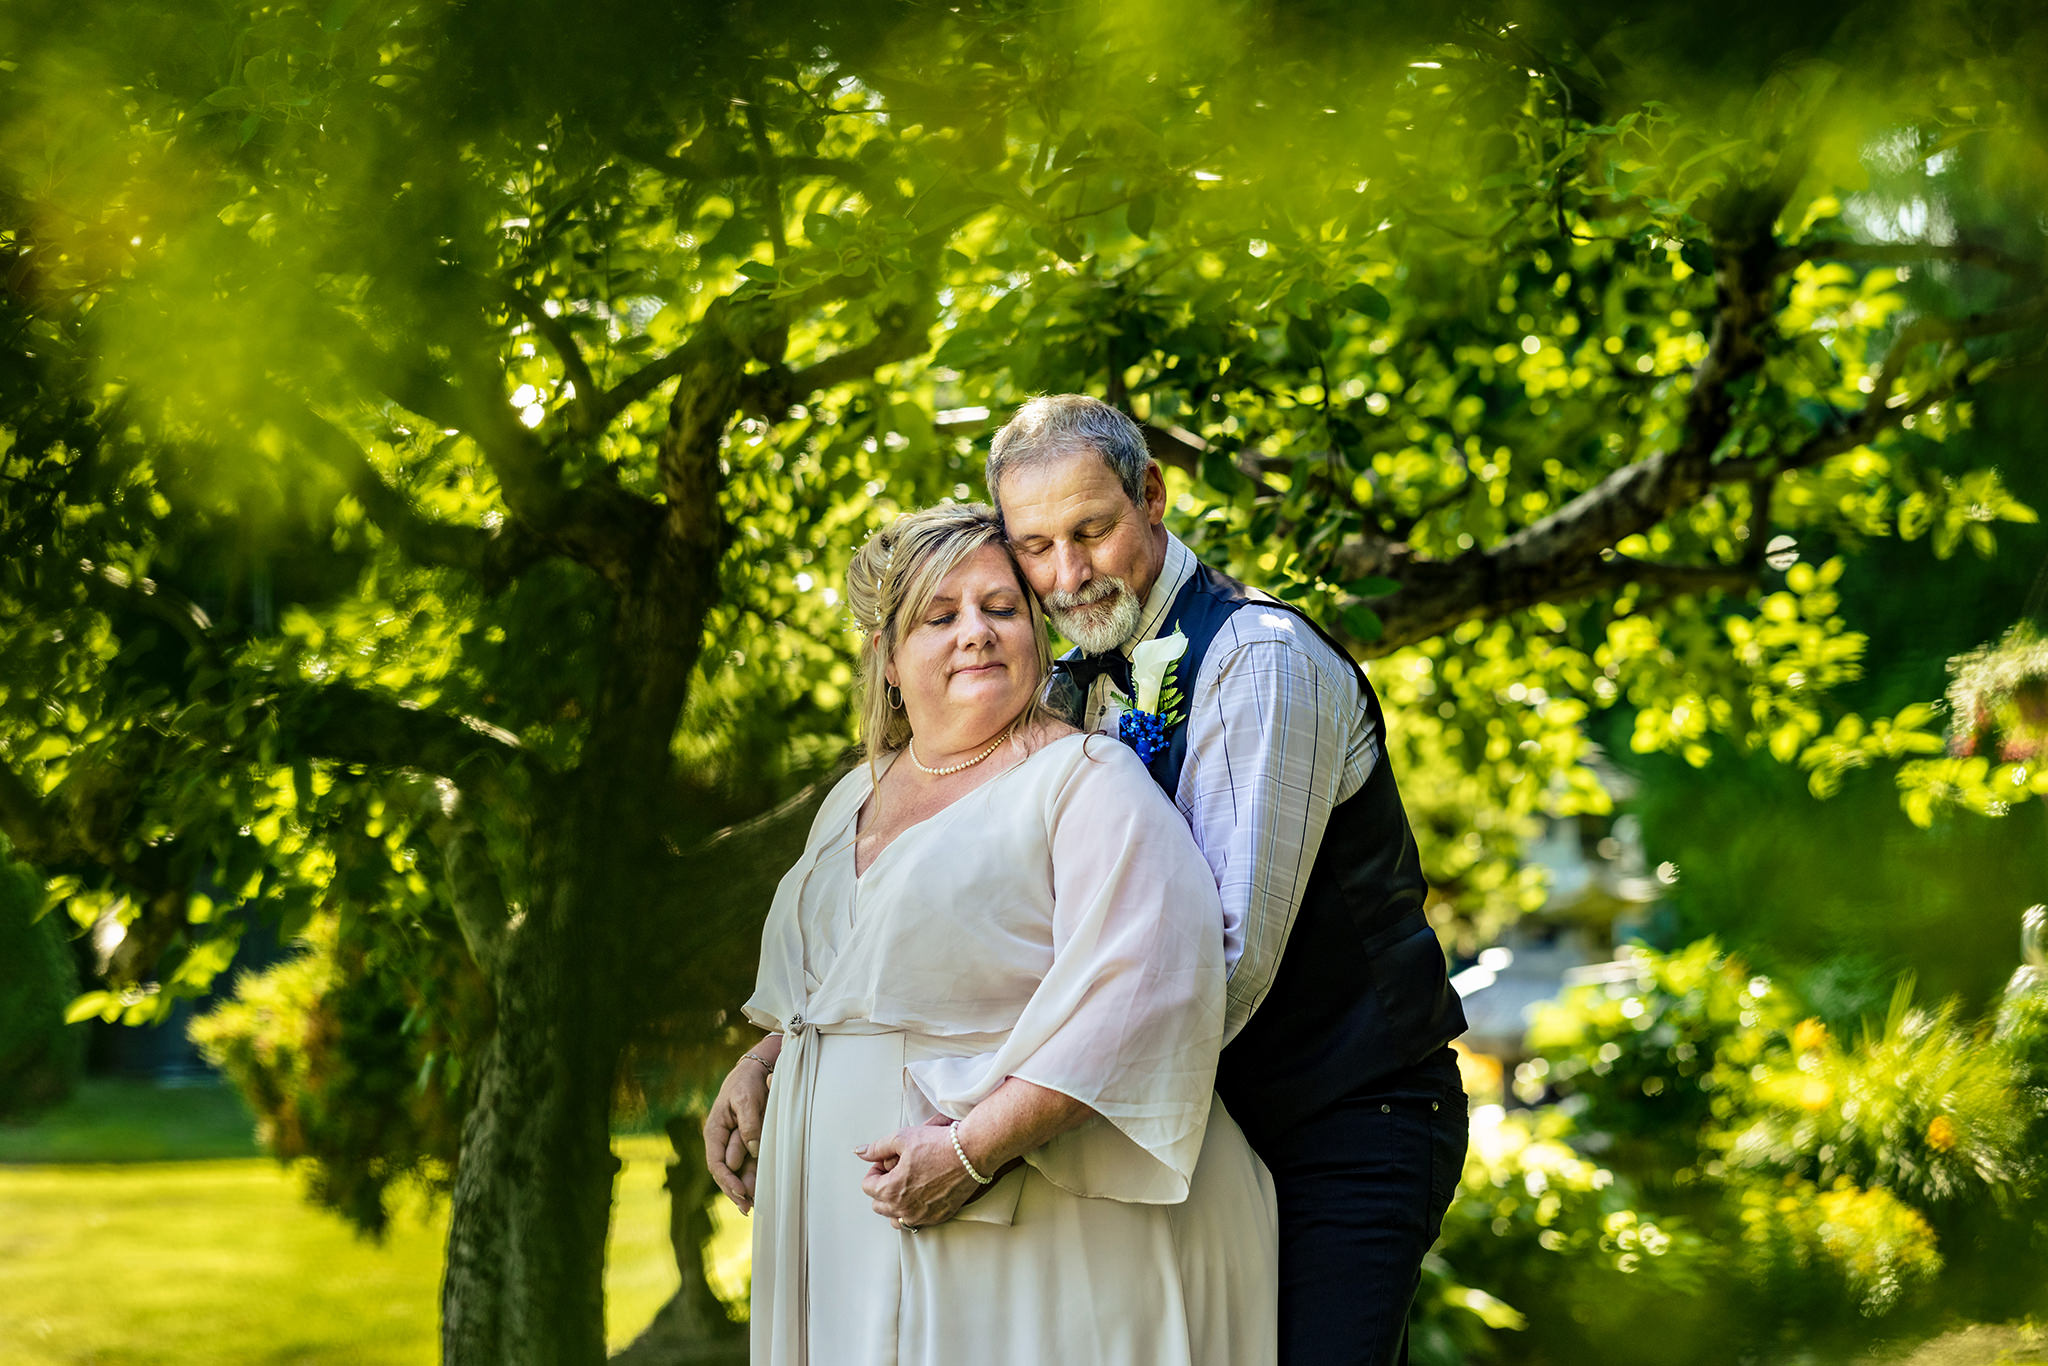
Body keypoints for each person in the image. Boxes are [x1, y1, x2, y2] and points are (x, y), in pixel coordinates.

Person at [701, 503, 1277, 1366]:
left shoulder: (1084, 780)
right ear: (887, 659)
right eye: (940, 616)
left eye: (1001, 609)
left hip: (1020, 1216)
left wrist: (970, 1155)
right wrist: (763, 1064)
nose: (975, 632)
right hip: (841, 1222)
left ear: (1038, 635)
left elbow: (1144, 999)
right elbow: (848, 986)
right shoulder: (851, 796)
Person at [986, 394, 1470, 1366]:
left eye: (1091, 530)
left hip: (1347, 1123)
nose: (1066, 574)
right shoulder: (1061, 682)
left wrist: (1011, 1109)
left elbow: (1224, 957)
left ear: (1153, 497)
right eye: (1034, 546)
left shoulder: (1258, 662)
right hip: (1197, 1131)